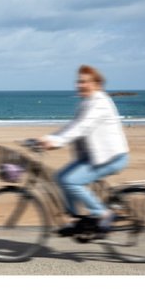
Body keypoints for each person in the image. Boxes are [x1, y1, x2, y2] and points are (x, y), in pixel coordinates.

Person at [35, 64, 131, 238]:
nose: (80, 85)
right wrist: (50, 138)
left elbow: (82, 127)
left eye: (85, 82)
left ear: (96, 84)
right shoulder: (86, 104)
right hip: (93, 157)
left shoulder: (100, 102)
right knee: (60, 177)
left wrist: (55, 141)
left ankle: (103, 213)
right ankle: (76, 219)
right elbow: (71, 127)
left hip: (111, 157)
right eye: (79, 81)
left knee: (71, 181)